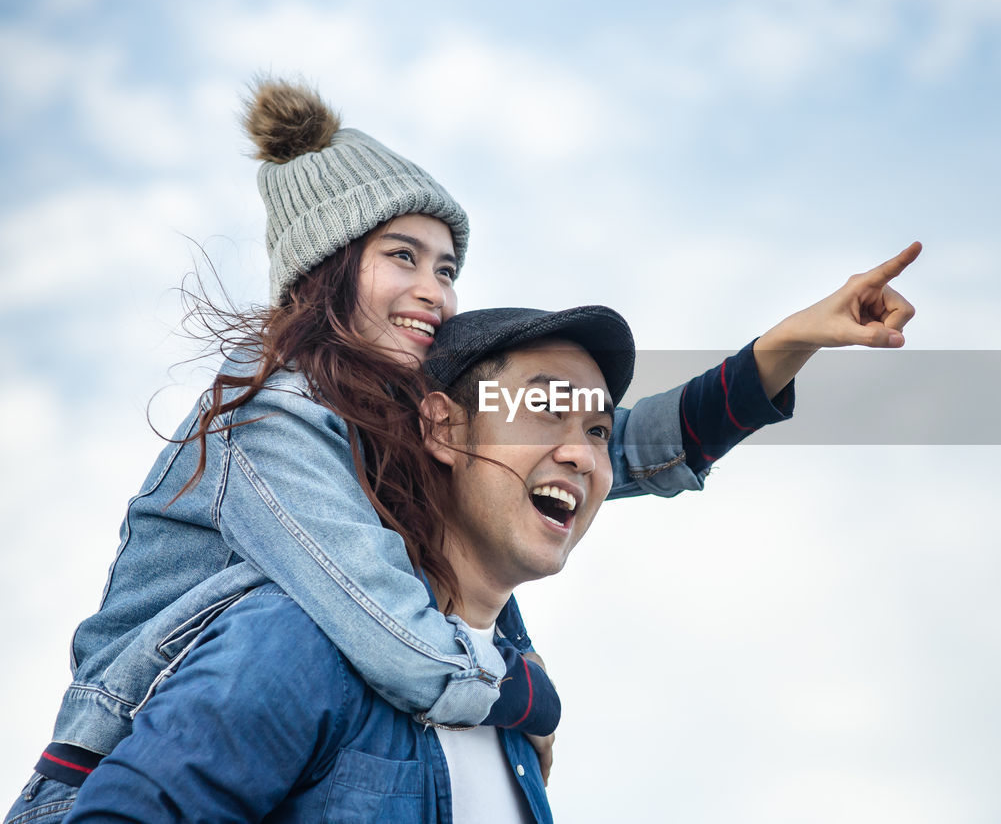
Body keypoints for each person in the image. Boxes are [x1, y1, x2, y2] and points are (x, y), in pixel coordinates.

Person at [6, 79, 919, 823]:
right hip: (112, 762)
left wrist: (789, 344)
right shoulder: (268, 418)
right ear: (326, 270)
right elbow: (396, 631)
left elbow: (613, 446)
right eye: (403, 257)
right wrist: (524, 695)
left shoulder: (404, 421)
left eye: (447, 268)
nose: (434, 292)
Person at [59, 305, 654, 822]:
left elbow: (667, 436)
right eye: (545, 407)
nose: (581, 454)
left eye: (598, 429)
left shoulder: (517, 726)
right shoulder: (296, 639)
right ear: (443, 428)